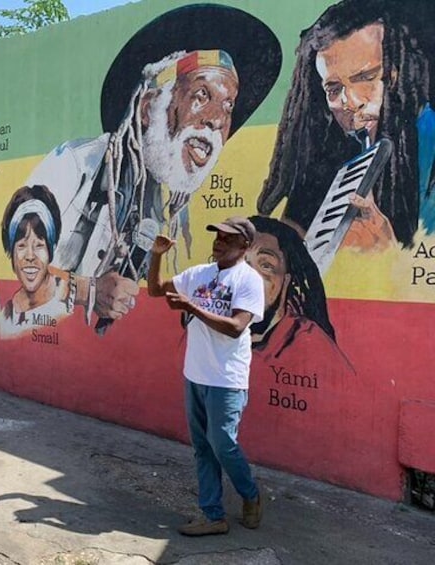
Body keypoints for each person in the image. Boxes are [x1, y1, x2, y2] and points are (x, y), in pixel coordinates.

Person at [26, 4, 281, 328]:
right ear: (148, 108)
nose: (217, 120)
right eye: (202, 95)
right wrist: (88, 290)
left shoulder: (165, 206)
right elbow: (20, 262)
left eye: (227, 106)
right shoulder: (76, 163)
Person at [258, 0, 435, 250]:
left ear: (394, 75)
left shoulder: (429, 141)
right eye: (334, 88)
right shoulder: (323, 161)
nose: (350, 102)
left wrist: (386, 251)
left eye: (365, 78)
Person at [147, 216, 265, 536]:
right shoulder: (200, 274)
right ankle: (213, 515)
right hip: (195, 374)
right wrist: (156, 255)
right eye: (217, 235)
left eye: (228, 238)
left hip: (227, 378)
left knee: (223, 444)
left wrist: (192, 307)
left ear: (244, 245)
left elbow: (237, 326)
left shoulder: (249, 280)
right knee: (202, 447)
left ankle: (250, 494)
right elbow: (156, 290)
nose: (219, 241)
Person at [246, 215, 353, 372]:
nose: (247, 276)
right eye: (239, 263)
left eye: (266, 265)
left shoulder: (311, 347)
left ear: (288, 281)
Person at [0, 185, 75, 338]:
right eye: (21, 245)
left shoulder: (69, 301)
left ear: (51, 248)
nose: (30, 256)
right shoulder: (6, 314)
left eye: (39, 245)